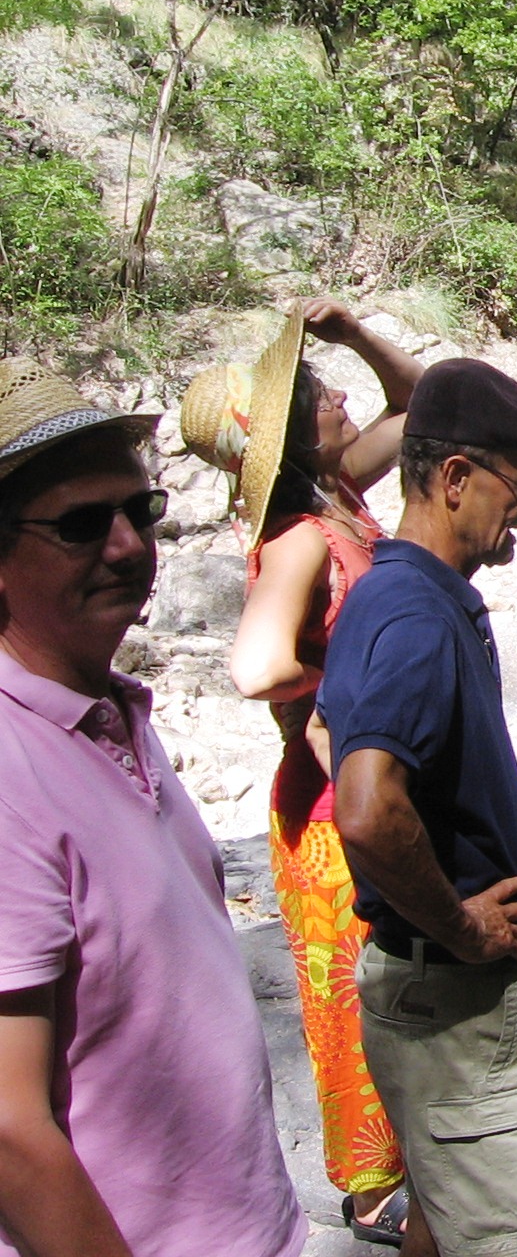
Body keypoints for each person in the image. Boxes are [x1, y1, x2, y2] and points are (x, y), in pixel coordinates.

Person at [0, 360, 305, 1257]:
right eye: (82, 525)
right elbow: (9, 1130)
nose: (129, 546)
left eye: (142, 511)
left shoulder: (109, 714)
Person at [322, 358, 517, 1257]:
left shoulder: (390, 592)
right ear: (455, 478)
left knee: (441, 1207)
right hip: (466, 1008)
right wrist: (462, 928)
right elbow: (363, 807)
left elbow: (333, 735)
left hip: (433, 998)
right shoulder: (418, 617)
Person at [180, 299, 422, 1246]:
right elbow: (256, 667)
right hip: (323, 801)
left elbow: (416, 405)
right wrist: (349, 676)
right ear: (289, 430)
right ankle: (371, 1191)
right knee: (351, 986)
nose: (341, 401)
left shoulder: (337, 493)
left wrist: (356, 333)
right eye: (324, 395)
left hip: (357, 777)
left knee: (392, 971)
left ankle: (417, 1152)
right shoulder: (299, 536)